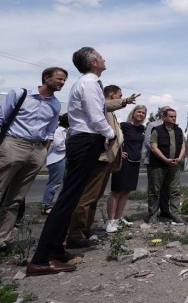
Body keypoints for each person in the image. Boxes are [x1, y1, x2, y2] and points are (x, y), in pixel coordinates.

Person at [28, 47, 114, 276]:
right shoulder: (88, 83)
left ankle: (56, 251)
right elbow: (96, 117)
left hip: (87, 140)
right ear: (94, 62)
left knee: (72, 197)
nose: (104, 58)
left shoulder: (90, 82)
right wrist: (111, 134)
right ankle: (41, 259)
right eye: (101, 56)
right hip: (86, 140)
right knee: (67, 199)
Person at [0, 67, 67, 254]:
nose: (62, 83)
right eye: (59, 79)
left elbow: (51, 129)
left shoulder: (55, 104)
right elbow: (1, 118)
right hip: (13, 144)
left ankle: (4, 239)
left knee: (15, 199)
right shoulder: (20, 94)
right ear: (46, 78)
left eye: (64, 80)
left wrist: (43, 151)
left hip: (36, 149)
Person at [66, 84, 138, 247]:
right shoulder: (101, 106)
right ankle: (75, 233)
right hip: (99, 157)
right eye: (119, 95)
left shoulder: (110, 112)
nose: (121, 97)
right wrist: (126, 101)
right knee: (87, 196)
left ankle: (85, 230)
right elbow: (103, 106)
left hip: (106, 159)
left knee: (94, 196)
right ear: (112, 95)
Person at [105, 104, 147, 232]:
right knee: (117, 191)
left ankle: (118, 218)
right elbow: (112, 139)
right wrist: (118, 153)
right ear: (133, 113)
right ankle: (110, 221)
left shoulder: (141, 129)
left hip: (135, 162)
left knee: (126, 191)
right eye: (138, 112)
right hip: (123, 162)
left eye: (143, 113)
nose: (141, 114)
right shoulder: (124, 126)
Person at [147, 108, 186, 224]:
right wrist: (165, 159)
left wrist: (179, 158)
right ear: (164, 117)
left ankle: (176, 215)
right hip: (158, 165)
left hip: (174, 165)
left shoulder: (178, 130)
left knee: (175, 191)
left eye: (175, 116)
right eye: (171, 116)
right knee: (155, 190)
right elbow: (153, 147)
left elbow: (183, 145)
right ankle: (153, 215)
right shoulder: (157, 130)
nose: (173, 118)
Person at [143, 106, 174, 219]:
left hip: (169, 162)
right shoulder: (153, 125)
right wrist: (163, 155)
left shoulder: (173, 127)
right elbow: (148, 143)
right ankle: (153, 214)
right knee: (154, 188)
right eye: (164, 111)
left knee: (166, 188)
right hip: (154, 161)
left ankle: (165, 210)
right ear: (162, 113)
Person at [41, 113, 70, 215]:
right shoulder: (58, 130)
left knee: (66, 182)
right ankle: (46, 205)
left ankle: (61, 204)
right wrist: (70, 146)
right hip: (57, 159)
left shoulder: (65, 131)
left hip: (63, 158)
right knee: (54, 183)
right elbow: (59, 146)